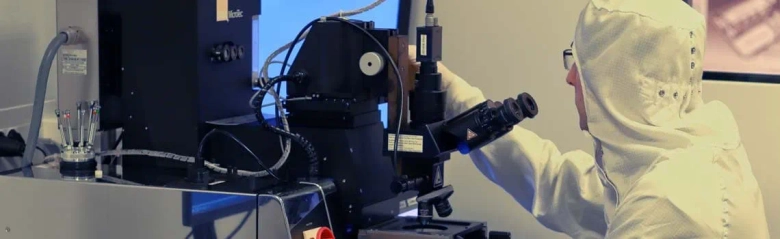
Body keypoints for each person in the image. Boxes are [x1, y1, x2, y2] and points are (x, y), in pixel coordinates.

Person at [408, 0, 771, 238]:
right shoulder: (687, 157)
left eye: (581, 63)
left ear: (617, 79)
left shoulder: (669, 206)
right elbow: (559, 185)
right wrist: (448, 89)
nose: (570, 77)